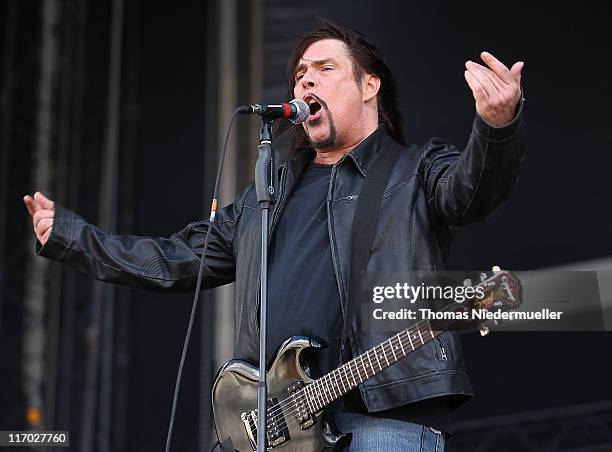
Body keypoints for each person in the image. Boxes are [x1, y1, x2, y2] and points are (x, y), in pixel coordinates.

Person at [24, 19, 524, 452]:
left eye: (324, 69)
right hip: (275, 428)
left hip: (384, 416)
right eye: (299, 74)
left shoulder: (413, 170)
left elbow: (471, 193)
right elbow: (174, 258)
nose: (306, 80)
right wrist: (71, 236)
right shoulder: (269, 193)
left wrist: (496, 128)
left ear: (369, 85)